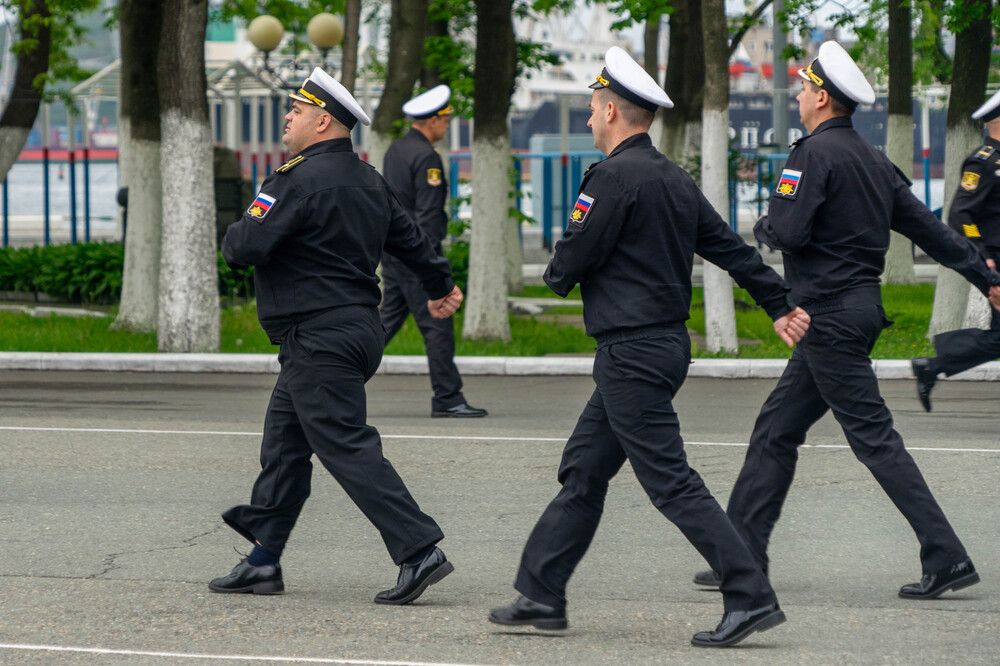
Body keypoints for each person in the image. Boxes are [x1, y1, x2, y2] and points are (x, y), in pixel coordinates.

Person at [489, 46, 811, 648]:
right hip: (659, 347)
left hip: (631, 352)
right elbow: (732, 249)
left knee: (670, 481)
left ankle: (749, 594)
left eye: (591, 109)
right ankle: (541, 592)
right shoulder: (671, 178)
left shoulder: (610, 178)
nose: (588, 119)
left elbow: (574, 257)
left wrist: (558, 273)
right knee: (584, 469)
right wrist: (778, 304)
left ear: (612, 111)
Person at [692, 41, 1000, 600]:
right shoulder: (874, 160)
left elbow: (788, 232)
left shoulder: (812, 155)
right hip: (852, 313)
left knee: (874, 439)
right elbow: (934, 233)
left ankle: (946, 553)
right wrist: (988, 278)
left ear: (823, 98)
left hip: (826, 316)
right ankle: (739, 555)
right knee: (776, 430)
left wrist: (765, 224)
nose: (801, 96)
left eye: (806, 89)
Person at [209, 67, 461, 605]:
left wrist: (235, 232)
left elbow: (244, 246)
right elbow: (413, 243)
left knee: (345, 444)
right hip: (352, 332)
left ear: (323, 120)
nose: (288, 117)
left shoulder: (294, 179)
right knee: (283, 444)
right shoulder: (371, 181)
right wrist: (441, 286)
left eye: (296, 111)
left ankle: (418, 549)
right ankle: (262, 560)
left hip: (317, 336)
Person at [381, 85, 486, 418]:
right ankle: (448, 397)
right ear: (432, 121)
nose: (446, 125)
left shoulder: (396, 150)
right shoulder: (427, 157)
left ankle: (334, 378)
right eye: (445, 119)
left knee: (384, 323)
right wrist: (430, 264)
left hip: (393, 252)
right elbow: (426, 216)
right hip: (416, 256)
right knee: (438, 323)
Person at [912, 88, 1000, 411]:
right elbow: (960, 213)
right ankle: (935, 362)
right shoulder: (983, 162)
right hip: (996, 260)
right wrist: (982, 253)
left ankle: (933, 365)